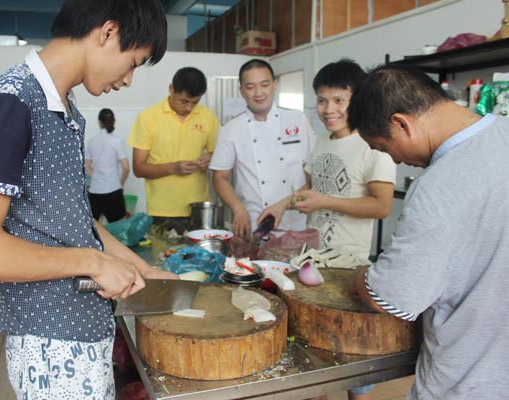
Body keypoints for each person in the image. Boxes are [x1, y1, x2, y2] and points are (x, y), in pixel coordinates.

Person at [0, 1, 177, 399]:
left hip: (79, 329)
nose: (128, 80)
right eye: (133, 62)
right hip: (50, 345)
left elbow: (73, 222)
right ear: (108, 32)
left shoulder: (66, 109)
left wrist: (143, 271)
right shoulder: (13, 102)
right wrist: (94, 263)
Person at [347, 65, 509, 399]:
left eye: (382, 147)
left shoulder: (438, 184)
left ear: (401, 124)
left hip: (470, 380)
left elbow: (392, 299)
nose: (394, 160)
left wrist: (361, 279)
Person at [259, 59, 396, 262]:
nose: (328, 109)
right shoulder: (320, 140)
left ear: (358, 100)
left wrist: (325, 202)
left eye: (339, 101)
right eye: (322, 101)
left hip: (347, 260)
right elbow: (313, 186)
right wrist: (282, 205)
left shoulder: (374, 145)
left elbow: (381, 206)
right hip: (311, 253)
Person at [210, 59, 315, 237]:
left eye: (264, 85)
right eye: (250, 87)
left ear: (274, 85)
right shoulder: (230, 129)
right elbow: (219, 177)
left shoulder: (297, 120)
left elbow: (312, 174)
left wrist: (293, 203)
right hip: (254, 221)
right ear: (241, 91)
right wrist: (238, 209)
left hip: (297, 219)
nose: (258, 93)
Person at [128, 67, 220, 232]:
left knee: (203, 257)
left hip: (199, 209)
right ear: (171, 89)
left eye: (195, 102)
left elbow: (219, 155)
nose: (189, 108)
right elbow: (138, 168)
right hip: (162, 211)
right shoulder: (148, 118)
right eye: (184, 101)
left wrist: (211, 158)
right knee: (163, 255)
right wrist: (173, 168)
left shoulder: (208, 117)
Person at [85, 108, 129, 223]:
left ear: (99, 122)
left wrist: (96, 177)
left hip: (95, 192)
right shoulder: (117, 141)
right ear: (114, 121)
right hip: (114, 190)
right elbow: (126, 168)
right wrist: (121, 184)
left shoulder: (92, 142)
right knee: (120, 231)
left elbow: (87, 166)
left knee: (94, 232)